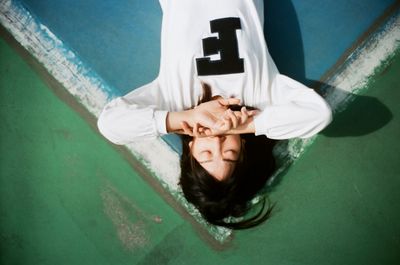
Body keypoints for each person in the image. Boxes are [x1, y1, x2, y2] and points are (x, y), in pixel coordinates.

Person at [97, 0, 332, 228]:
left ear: (190, 151)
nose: (218, 142)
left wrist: (182, 118)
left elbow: (110, 124)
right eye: (229, 153)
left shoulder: (173, 98)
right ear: (242, 149)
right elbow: (319, 115)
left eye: (207, 154)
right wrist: (247, 124)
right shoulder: (261, 95)